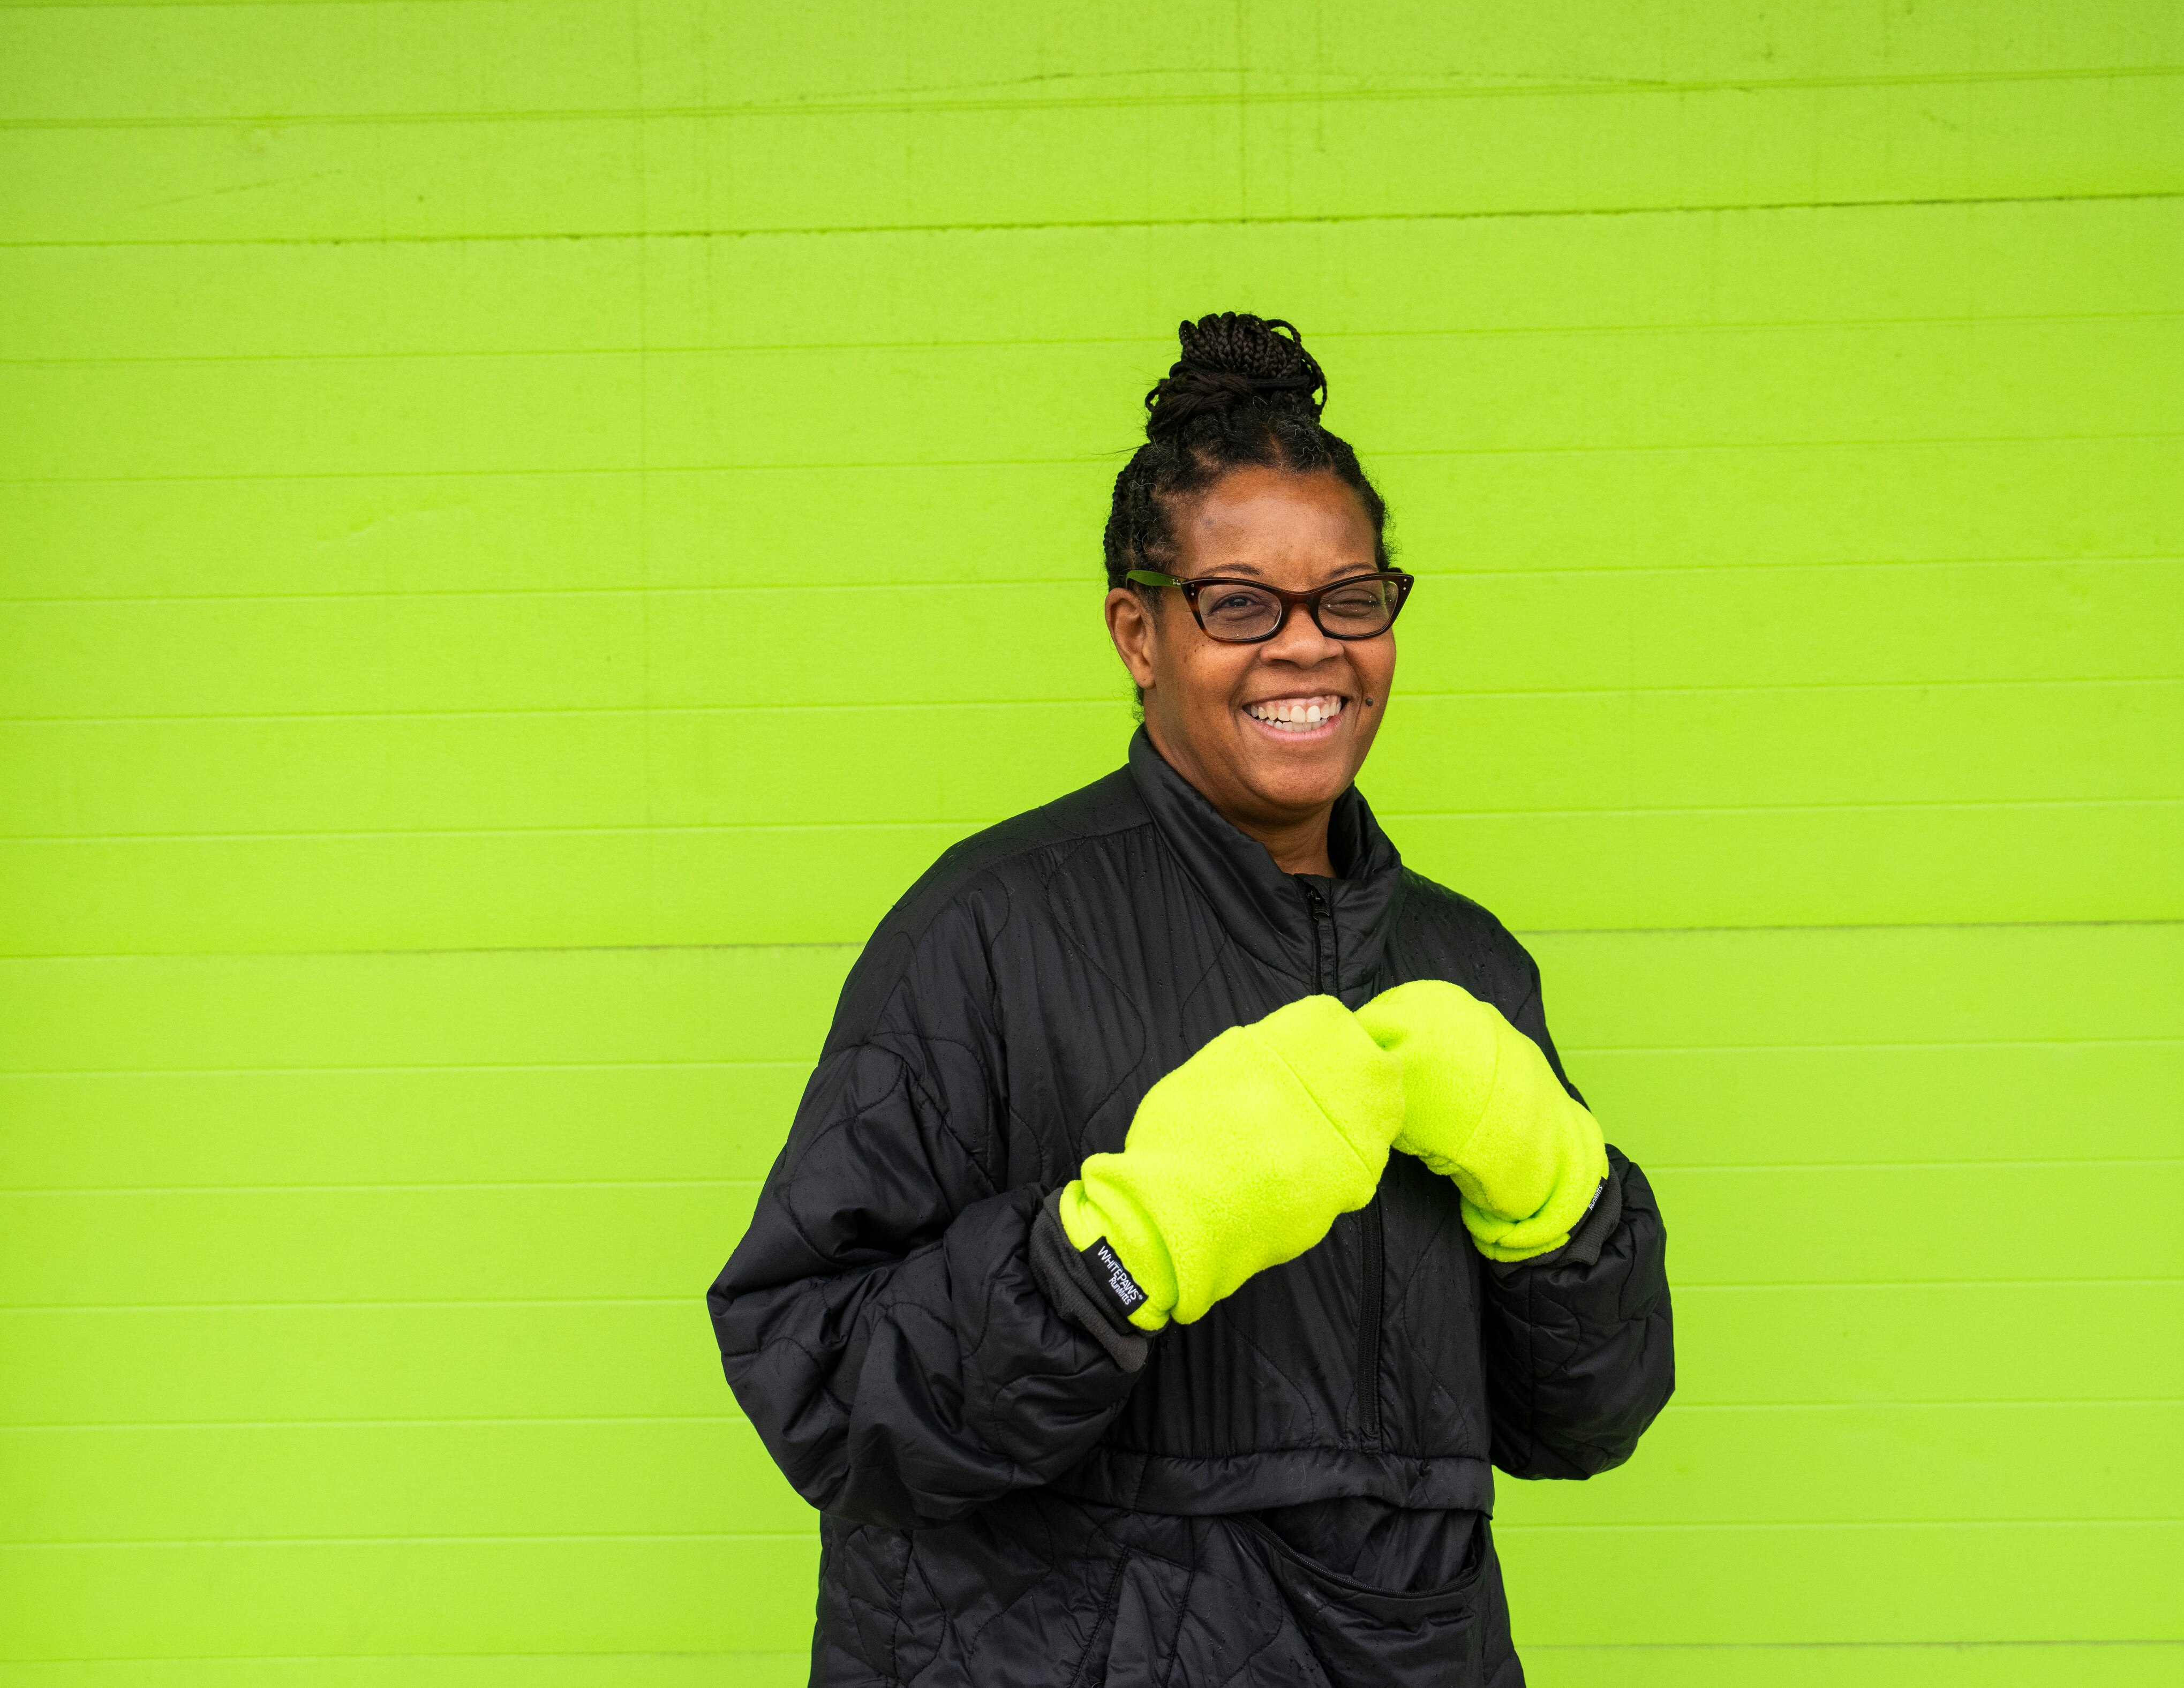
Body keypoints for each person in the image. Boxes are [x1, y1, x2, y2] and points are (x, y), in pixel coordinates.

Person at [707, 313, 1673, 1687]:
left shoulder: (1468, 966)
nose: (1309, 648)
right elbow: (814, 1383)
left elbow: (1587, 1418)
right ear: (1137, 630)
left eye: (1351, 598)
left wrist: (1558, 1199)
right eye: (1238, 604)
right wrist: (1110, 1256)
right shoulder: (989, 929)